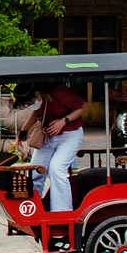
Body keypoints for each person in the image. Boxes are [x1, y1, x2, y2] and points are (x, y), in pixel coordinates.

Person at [18, 83, 86, 212]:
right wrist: (23, 132)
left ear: (37, 94)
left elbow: (83, 107)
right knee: (36, 169)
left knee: (57, 168)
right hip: (49, 136)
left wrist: (64, 121)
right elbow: (35, 114)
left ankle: (62, 211)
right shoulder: (40, 101)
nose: (31, 104)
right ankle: (34, 206)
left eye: (31, 101)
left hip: (70, 134)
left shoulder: (60, 92)